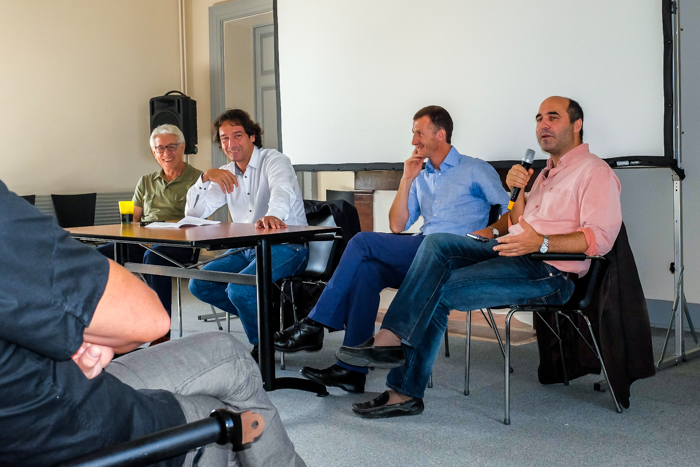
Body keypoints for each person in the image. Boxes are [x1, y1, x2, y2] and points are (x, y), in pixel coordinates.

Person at [337, 96, 622, 418]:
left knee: (438, 290)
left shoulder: (595, 171)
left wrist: (540, 242)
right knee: (437, 243)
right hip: (513, 251)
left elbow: (600, 239)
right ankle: (390, 342)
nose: (543, 125)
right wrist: (520, 195)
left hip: (550, 271)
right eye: (539, 118)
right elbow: (516, 224)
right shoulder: (544, 174)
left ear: (577, 124)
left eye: (552, 117)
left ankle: (402, 388)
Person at [0, 180, 306, 466]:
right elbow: (147, 319)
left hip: (27, 413)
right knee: (225, 371)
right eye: (224, 138)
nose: (230, 143)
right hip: (65, 420)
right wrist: (90, 329)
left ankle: (267, 336)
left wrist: (76, 328)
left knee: (166, 269)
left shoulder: (269, 164)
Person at [274, 105, 510, 393]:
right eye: (413, 134)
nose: (414, 141)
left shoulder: (475, 169)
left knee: (361, 242)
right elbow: (398, 225)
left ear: (441, 134)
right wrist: (407, 178)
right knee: (367, 272)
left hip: (459, 255)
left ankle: (315, 323)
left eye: (419, 133)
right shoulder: (421, 176)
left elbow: (510, 210)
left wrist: (490, 231)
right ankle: (351, 371)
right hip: (426, 251)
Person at [186, 109, 308, 357]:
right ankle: (271, 324)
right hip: (246, 248)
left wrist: (273, 214)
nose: (231, 144)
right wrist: (205, 177)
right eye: (224, 138)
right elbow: (195, 212)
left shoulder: (274, 160)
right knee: (200, 283)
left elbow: (282, 191)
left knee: (239, 289)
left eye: (238, 135)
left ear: (252, 136)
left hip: (287, 245)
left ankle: (262, 347)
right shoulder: (225, 173)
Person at [97, 124, 202, 343]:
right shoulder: (145, 181)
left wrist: (160, 227)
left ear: (182, 148)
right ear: (154, 153)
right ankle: (107, 325)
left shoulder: (198, 180)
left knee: (153, 257)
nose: (166, 153)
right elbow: (133, 218)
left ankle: (160, 333)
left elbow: (198, 221)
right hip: (144, 241)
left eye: (171, 146)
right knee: (98, 257)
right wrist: (133, 227)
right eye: (160, 148)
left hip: (180, 245)